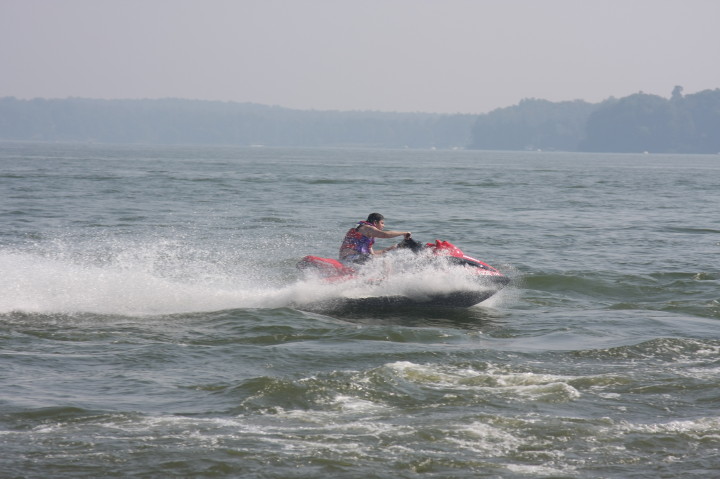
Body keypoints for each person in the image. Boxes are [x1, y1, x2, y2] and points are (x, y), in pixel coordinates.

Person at [339, 213, 411, 264]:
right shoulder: (366, 228)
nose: (384, 226)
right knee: (385, 261)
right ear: (375, 222)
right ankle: (385, 281)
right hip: (349, 258)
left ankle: (379, 279)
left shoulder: (367, 237)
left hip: (355, 258)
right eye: (382, 223)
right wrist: (404, 233)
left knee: (385, 258)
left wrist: (392, 248)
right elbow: (385, 234)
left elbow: (372, 254)